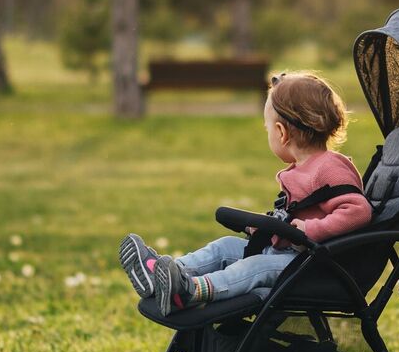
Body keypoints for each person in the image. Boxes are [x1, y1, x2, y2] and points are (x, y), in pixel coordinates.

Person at [120, 70, 371, 320]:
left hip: (311, 266)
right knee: (224, 247)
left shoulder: (330, 166)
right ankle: (168, 274)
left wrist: (311, 230)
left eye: (267, 129)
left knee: (254, 268)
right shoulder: (303, 168)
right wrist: (267, 228)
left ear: (281, 133)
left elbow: (358, 210)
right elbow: (296, 217)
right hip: (287, 255)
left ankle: (190, 291)